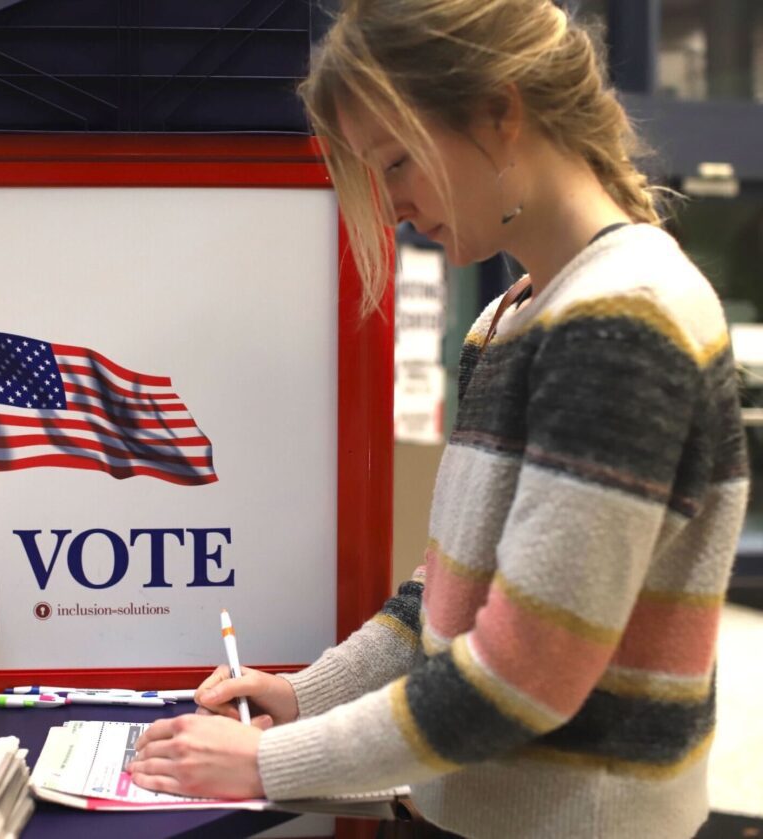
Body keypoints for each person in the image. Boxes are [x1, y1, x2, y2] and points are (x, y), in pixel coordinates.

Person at [126, 1, 750, 837]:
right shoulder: (508, 317)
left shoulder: (624, 319)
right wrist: (303, 693)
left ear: (500, 112)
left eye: (395, 162)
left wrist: (268, 761)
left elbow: (521, 677)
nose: (388, 206)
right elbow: (445, 594)